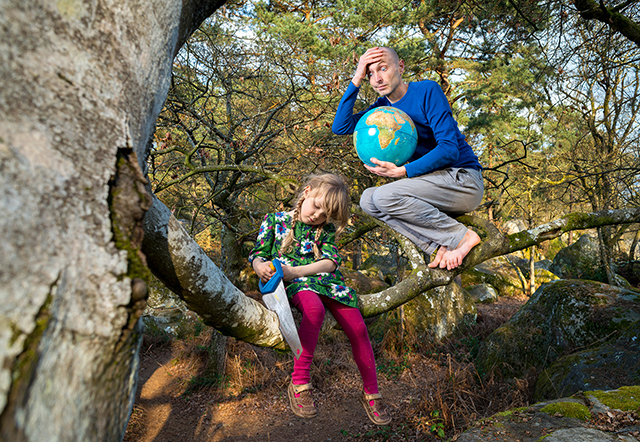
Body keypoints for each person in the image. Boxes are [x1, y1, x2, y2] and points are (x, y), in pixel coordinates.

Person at [249, 173, 391, 425]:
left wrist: (297, 270)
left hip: (327, 282)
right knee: (314, 311)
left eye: (324, 214)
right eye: (316, 206)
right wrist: (259, 266)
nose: (317, 216)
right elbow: (258, 254)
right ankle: (300, 382)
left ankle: (372, 392)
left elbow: (330, 262)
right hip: (295, 284)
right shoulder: (274, 221)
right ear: (306, 192)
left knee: (358, 329)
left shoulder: (324, 230)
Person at [332, 47, 484, 270]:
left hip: (463, 181)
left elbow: (449, 149)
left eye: (383, 68)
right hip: (432, 186)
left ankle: (462, 237)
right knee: (367, 200)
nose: (378, 79)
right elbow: (341, 126)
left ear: (401, 67)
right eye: (371, 73)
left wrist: (403, 171)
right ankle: (438, 246)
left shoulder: (427, 91)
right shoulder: (382, 109)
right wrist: (356, 77)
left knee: (383, 195)